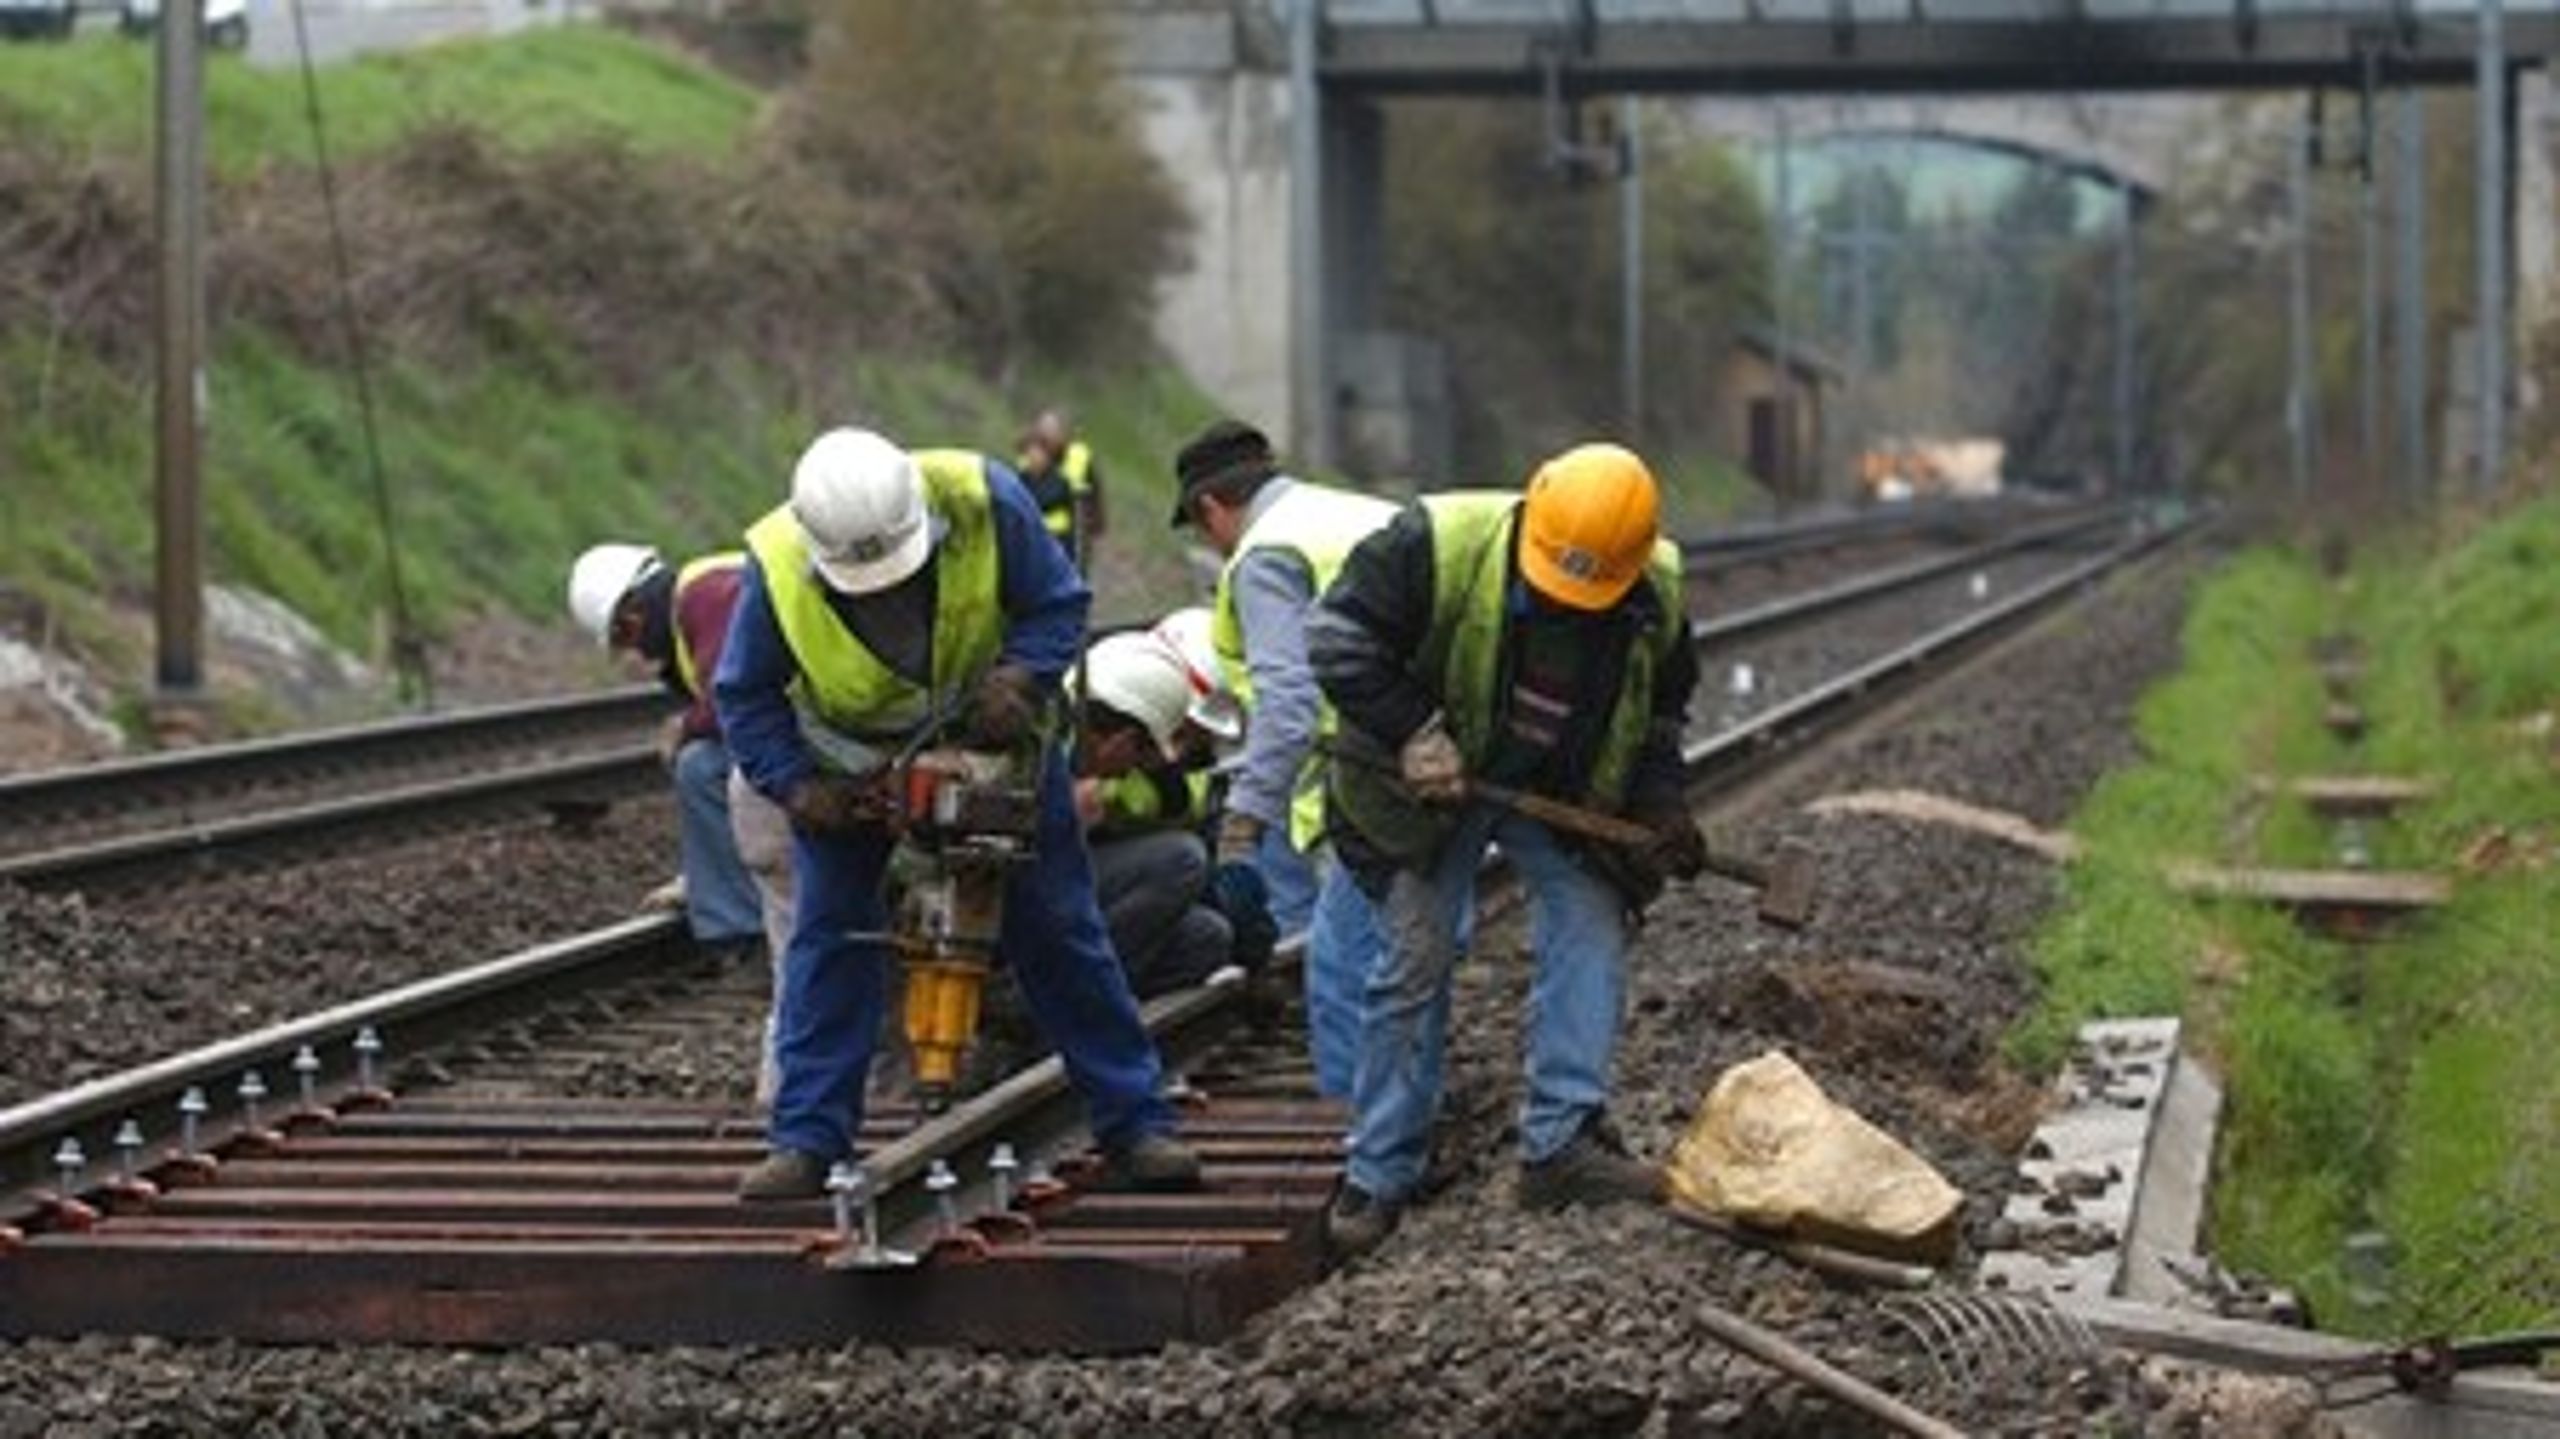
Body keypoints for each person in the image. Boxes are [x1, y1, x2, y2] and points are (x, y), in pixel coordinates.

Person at [713, 426, 1199, 1200]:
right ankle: (806, 1140)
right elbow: (744, 693)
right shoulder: (777, 564)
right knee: (830, 937)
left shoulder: (984, 500)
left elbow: (1059, 603)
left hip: (991, 747)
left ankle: (1135, 1121)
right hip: (854, 768)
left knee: (1061, 927)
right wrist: (801, 788)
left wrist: (1022, 677)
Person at [1307, 441, 1705, 1255]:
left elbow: (1663, 708)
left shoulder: (1656, 590)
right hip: (1428, 780)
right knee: (1412, 958)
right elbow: (1337, 637)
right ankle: (1379, 1170)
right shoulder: (1434, 543)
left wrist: (1661, 796)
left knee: (1591, 924)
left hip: (1559, 783)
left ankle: (1562, 1143)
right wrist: (1413, 729)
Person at [1168, 419, 1399, 1099]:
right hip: (1435, 747)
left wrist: (1247, 814)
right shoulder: (1359, 512)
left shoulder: (1267, 554)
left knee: (1340, 964)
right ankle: (1400, 1108)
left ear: (1212, 507)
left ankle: (1365, 1138)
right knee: (1405, 952)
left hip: (1372, 771)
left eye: (1201, 526)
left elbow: (1290, 702)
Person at [565, 543, 765, 955]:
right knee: (707, 758)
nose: (632, 653)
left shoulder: (708, 597)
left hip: (819, 726)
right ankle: (720, 887)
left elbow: (736, 703)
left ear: (635, 616)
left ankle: (739, 933)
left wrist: (684, 727)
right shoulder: (692, 607)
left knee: (700, 765)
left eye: (625, 636)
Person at [1069, 631, 1266, 999]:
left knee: (1207, 936)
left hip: (1076, 888)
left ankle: (1086, 1005)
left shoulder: (1165, 782)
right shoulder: (1052, 740)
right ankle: (1070, 999)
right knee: (1182, 859)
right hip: (1026, 900)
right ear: (1122, 738)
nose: (1174, 754)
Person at [1016, 409, 1105, 568]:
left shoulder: (1078, 456)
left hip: (1074, 530)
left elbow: (1094, 489)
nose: (1050, 435)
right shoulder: (1028, 460)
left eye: (1054, 430)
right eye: (1044, 430)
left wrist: (1096, 522)